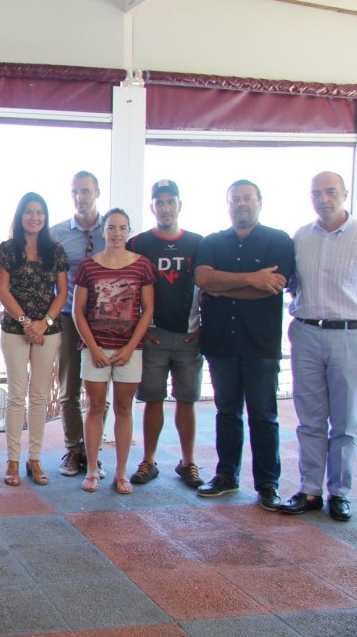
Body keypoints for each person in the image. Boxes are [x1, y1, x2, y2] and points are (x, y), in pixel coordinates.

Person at [195, 180, 294, 511]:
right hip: (220, 341)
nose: (241, 204)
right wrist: (252, 278)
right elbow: (204, 279)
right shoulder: (212, 242)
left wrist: (224, 288)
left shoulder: (279, 241)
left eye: (247, 198)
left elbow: (273, 288)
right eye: (235, 199)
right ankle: (226, 476)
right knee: (226, 412)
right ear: (228, 204)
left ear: (260, 202)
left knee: (264, 416)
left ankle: (267, 484)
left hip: (260, 344)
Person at [278, 171, 357, 522]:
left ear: (344, 194)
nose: (323, 199)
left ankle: (339, 493)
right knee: (310, 419)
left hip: (349, 333)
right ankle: (310, 489)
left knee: (344, 421)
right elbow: (291, 284)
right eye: (317, 193)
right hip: (307, 332)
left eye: (330, 192)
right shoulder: (300, 237)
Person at [126, 180, 205, 489]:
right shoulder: (138, 244)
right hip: (154, 337)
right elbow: (127, 289)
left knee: (187, 400)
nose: (166, 207)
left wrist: (203, 326)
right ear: (152, 207)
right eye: (160, 202)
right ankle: (148, 461)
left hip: (189, 338)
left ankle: (188, 462)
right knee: (152, 399)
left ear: (180, 205)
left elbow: (208, 287)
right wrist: (138, 330)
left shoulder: (199, 243)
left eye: (171, 201)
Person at [73, 208, 154, 494]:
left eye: (122, 227)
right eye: (111, 227)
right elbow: (78, 311)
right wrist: (93, 347)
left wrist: (131, 347)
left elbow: (147, 311)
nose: (117, 233)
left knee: (123, 408)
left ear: (129, 231)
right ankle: (93, 469)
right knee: (95, 407)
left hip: (130, 350)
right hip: (95, 348)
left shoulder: (142, 265)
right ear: (103, 231)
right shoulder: (89, 266)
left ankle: (121, 473)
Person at [0, 192, 69, 487]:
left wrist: (44, 323)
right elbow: (2, 290)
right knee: (16, 395)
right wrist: (27, 323)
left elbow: (62, 293)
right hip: (15, 331)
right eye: (29, 212)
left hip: (48, 331)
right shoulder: (8, 249)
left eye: (40, 212)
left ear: (45, 217)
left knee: (38, 397)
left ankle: (34, 460)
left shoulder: (56, 250)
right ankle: (12, 461)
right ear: (20, 215)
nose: (34, 217)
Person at [49, 171, 105, 478]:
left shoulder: (112, 229)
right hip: (69, 317)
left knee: (100, 391)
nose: (80, 197)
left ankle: (94, 452)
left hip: (106, 321)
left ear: (97, 192)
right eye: (74, 192)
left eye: (85, 191)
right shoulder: (57, 233)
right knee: (69, 387)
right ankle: (73, 449)